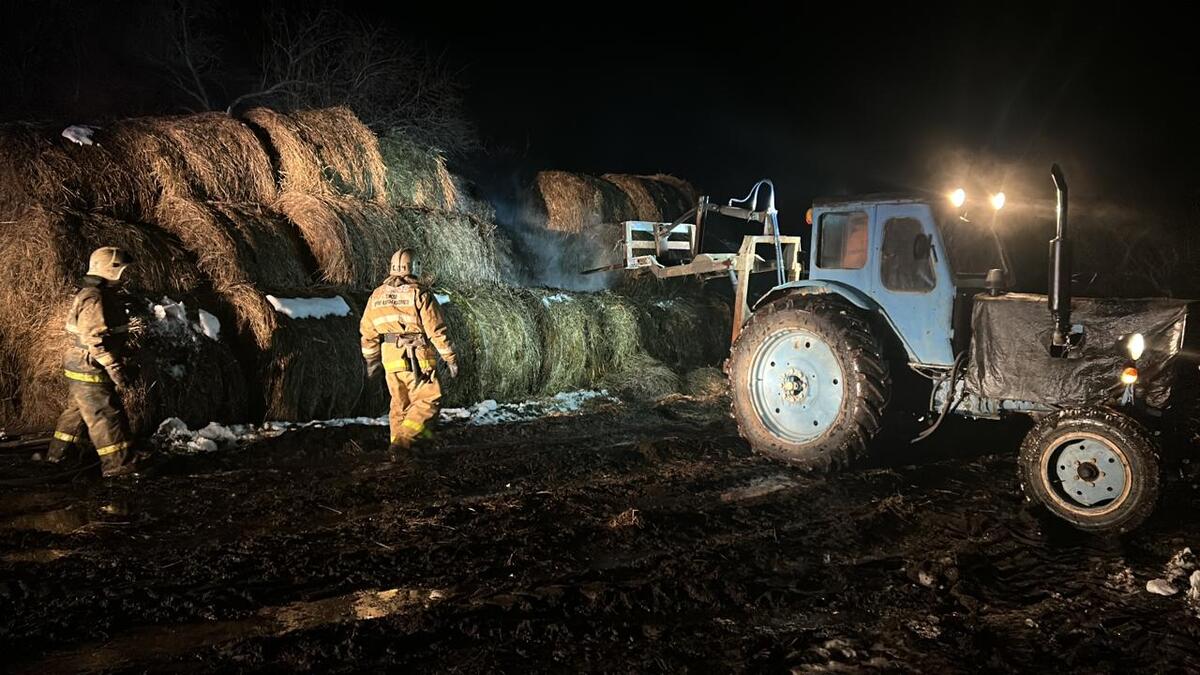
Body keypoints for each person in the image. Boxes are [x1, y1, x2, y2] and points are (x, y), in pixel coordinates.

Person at [46, 247, 139, 476]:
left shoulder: (97, 294)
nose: (125, 275)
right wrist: (113, 366)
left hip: (83, 363)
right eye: (122, 270)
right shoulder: (94, 297)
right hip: (90, 363)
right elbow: (92, 338)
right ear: (110, 270)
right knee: (104, 415)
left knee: (77, 411)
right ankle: (119, 467)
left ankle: (60, 456)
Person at [359, 248, 458, 455]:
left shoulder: (376, 296)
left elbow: (367, 332)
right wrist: (450, 358)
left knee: (400, 406)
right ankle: (402, 444)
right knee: (428, 399)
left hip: (390, 360)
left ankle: (400, 450)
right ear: (415, 267)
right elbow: (436, 330)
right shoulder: (419, 293)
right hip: (417, 358)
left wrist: (372, 360)